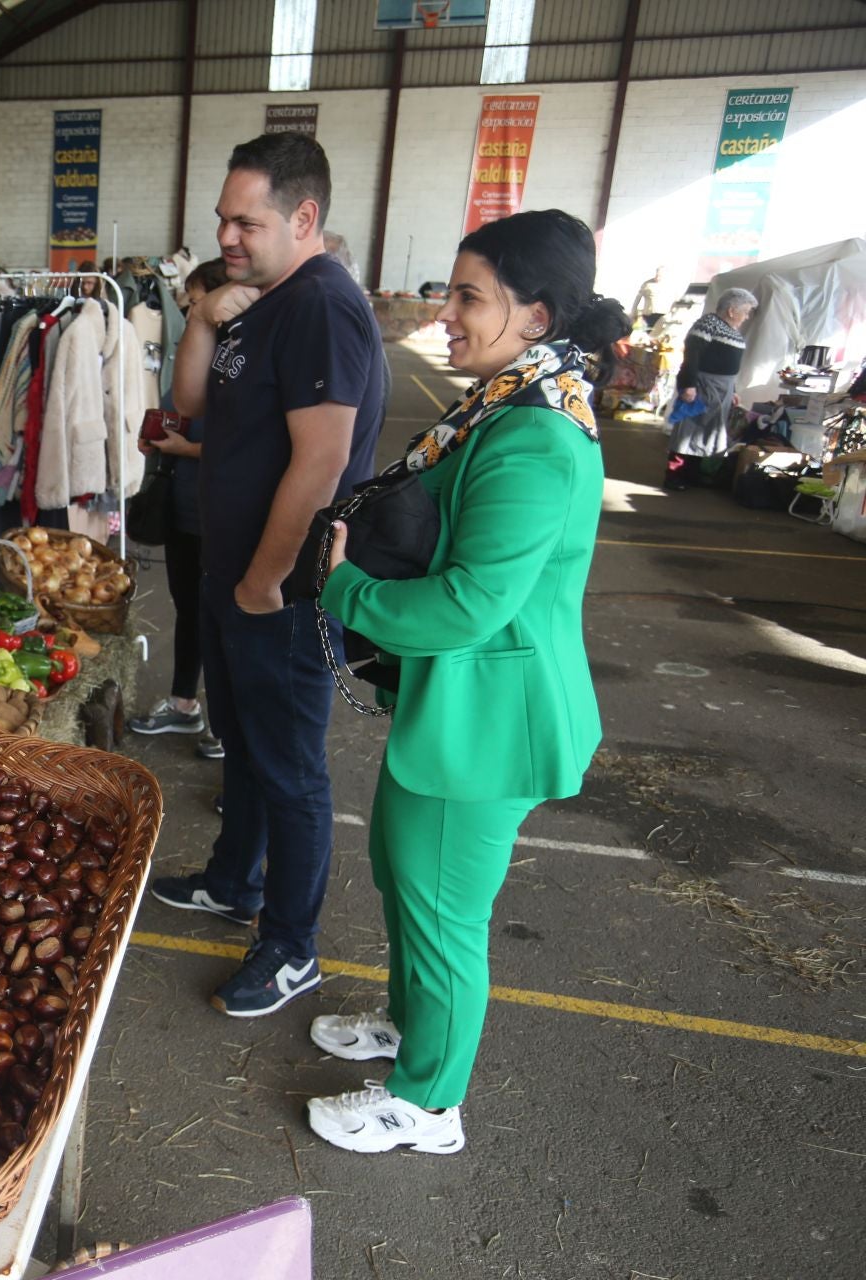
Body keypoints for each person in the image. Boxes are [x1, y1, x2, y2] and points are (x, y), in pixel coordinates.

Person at [305, 210, 627, 1154]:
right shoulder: (509, 399)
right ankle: (414, 1034)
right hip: (457, 707)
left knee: (445, 910)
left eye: (468, 297)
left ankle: (428, 1103)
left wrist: (344, 588)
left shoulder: (535, 434)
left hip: (493, 717)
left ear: (536, 313)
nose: (445, 312)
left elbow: (470, 605)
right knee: (406, 875)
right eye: (451, 292)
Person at [149, 132, 386, 1018]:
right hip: (232, 573)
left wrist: (268, 579)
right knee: (244, 743)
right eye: (221, 219)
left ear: (305, 215)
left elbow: (321, 464)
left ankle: (292, 946)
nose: (228, 235)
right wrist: (204, 319)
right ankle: (232, 881)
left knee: (289, 767)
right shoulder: (257, 302)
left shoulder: (323, 306)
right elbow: (197, 405)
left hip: (276, 589)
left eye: (245, 220)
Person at [129, 257, 232, 760]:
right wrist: (159, 437)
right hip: (185, 505)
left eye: (194, 303)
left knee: (220, 616)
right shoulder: (201, 351)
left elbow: (246, 447)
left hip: (217, 509)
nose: (187, 311)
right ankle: (184, 703)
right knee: (190, 609)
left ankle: (225, 723)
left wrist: (181, 449)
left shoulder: (241, 361)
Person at [666, 287, 755, 490]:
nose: (747, 316)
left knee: (705, 433)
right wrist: (688, 385)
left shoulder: (732, 330)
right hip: (702, 385)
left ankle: (692, 474)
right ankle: (674, 475)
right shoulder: (708, 324)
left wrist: (733, 390)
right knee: (687, 431)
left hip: (723, 388)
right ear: (732, 310)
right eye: (746, 311)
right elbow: (692, 356)